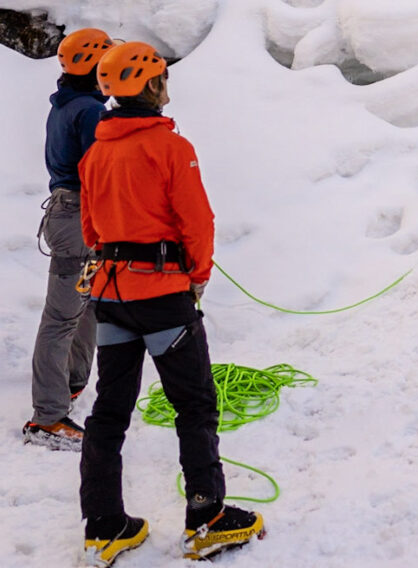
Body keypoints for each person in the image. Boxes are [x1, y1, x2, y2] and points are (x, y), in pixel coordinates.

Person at [77, 41, 264, 565]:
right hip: (163, 296)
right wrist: (197, 277)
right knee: (195, 405)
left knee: (108, 412)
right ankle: (206, 518)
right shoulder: (169, 148)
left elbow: (91, 228)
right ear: (150, 85)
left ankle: (104, 525)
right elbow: (197, 222)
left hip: (111, 294)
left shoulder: (94, 153)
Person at [24, 27, 113, 450]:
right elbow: (99, 171)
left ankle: (71, 385)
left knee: (87, 306)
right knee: (62, 318)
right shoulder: (91, 112)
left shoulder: (68, 105)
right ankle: (48, 417)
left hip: (69, 212)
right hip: (80, 216)